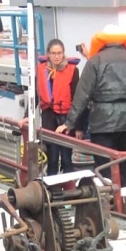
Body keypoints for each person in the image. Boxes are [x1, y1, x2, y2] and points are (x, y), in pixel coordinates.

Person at [56, 25, 126, 187]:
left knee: (104, 170)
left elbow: (81, 96)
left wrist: (68, 123)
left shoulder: (95, 62)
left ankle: (108, 205)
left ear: (102, 42)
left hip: (102, 123)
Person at [36, 38, 80, 176]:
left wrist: (78, 126)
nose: (56, 56)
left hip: (66, 117)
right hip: (49, 116)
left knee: (67, 157)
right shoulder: (41, 70)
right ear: (48, 54)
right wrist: (26, 116)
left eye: (59, 53)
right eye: (53, 53)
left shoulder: (73, 70)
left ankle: (69, 189)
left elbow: (77, 99)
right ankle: (52, 190)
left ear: (63, 53)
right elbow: (35, 95)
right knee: (52, 157)